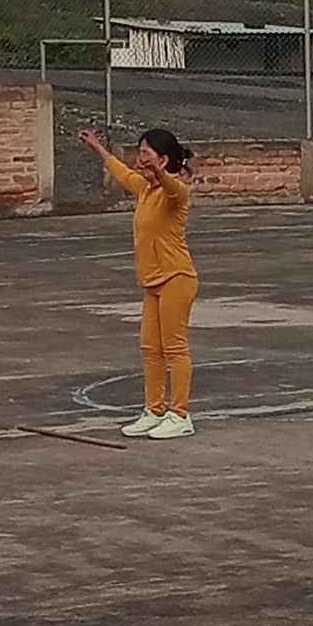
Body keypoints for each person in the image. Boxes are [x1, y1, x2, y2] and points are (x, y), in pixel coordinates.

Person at [80, 124, 197, 438]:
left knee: (175, 347)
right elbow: (121, 172)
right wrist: (96, 146)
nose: (139, 158)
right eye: (139, 152)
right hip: (153, 281)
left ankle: (180, 415)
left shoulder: (176, 192)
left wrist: (160, 173)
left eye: (146, 153)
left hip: (176, 277)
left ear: (163, 159)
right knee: (150, 347)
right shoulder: (145, 189)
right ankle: (154, 410)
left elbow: (173, 188)